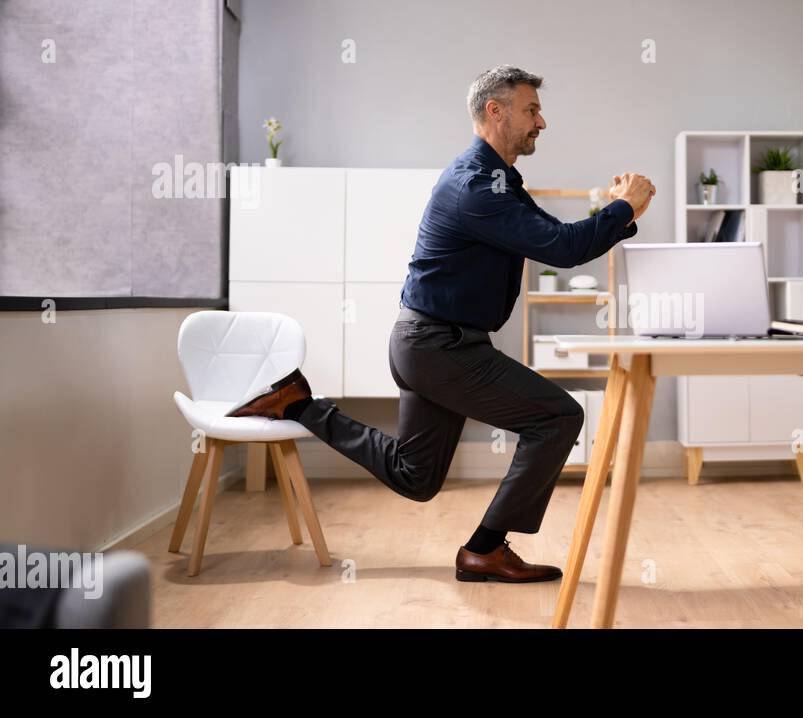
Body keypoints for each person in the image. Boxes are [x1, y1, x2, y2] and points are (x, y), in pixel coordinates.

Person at [227, 65, 656, 583]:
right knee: (557, 417)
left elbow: (557, 236)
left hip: (430, 345)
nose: (542, 122)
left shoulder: (498, 180)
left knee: (416, 478)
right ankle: (484, 549)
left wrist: (618, 214)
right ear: (495, 111)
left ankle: (298, 404)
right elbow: (563, 249)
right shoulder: (477, 185)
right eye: (531, 110)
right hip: (440, 348)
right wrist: (623, 206)